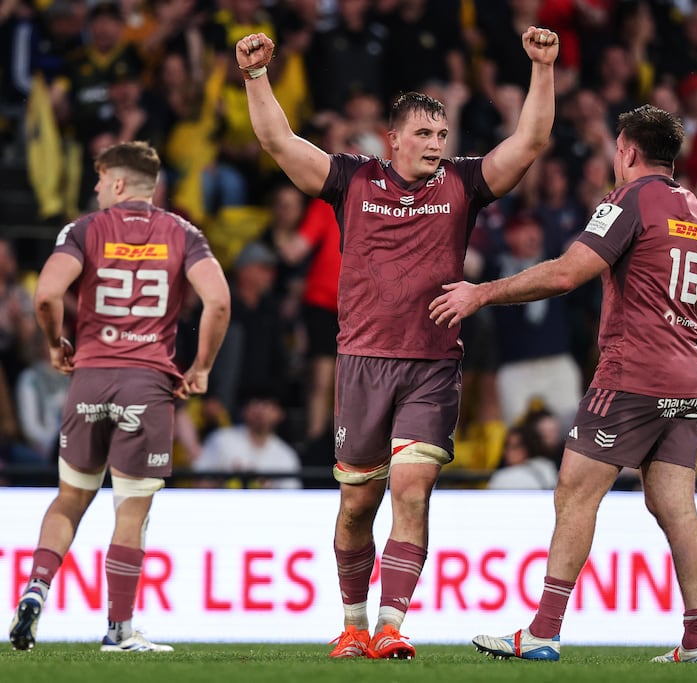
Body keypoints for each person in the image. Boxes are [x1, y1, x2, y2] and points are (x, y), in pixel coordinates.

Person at [235, 26, 559, 659]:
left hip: (432, 367)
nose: (437, 144)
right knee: (358, 504)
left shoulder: (463, 184)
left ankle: (391, 626)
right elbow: (277, 140)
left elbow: (531, 140)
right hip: (361, 365)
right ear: (394, 139)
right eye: (424, 134)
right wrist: (255, 76)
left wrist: (541, 68)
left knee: (411, 491)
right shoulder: (351, 180)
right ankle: (353, 625)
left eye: (442, 135)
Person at [430, 104, 697, 664]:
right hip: (688, 378)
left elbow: (567, 273)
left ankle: (543, 631)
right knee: (675, 505)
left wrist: (481, 292)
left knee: (575, 491)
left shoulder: (628, 200)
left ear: (628, 151)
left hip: (632, 375)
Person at [7, 141, 231, 652]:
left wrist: (54, 343)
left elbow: (45, 295)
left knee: (70, 499)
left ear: (119, 183)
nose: (95, 188)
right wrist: (200, 368)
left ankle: (36, 590)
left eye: (100, 179)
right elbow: (218, 302)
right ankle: (118, 629)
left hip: (89, 377)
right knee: (130, 511)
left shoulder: (85, 229)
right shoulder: (183, 234)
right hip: (147, 384)